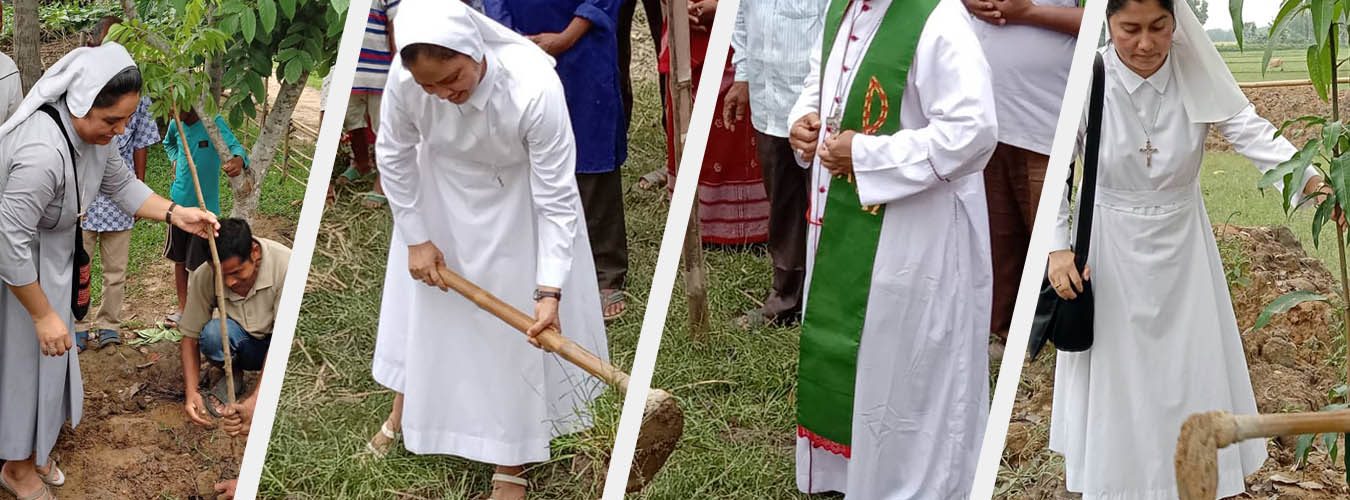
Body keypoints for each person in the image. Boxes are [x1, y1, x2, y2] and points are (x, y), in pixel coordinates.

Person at [1045, 1, 1335, 498]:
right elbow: (1056, 169)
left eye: (1158, 27)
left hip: (1183, 249)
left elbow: (1252, 133)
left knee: (1186, 369)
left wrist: (1319, 185)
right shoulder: (1090, 76)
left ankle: (1191, 482)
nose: (1144, 43)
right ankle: (1120, 482)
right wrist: (1056, 249)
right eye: (1128, 29)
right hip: (1109, 249)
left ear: (1176, 23)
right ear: (1107, 23)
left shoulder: (1196, 73)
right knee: (1120, 379)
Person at [368, 2, 609, 499]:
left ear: (474, 49)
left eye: (452, 78)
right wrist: (416, 235)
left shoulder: (535, 88)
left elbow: (557, 198)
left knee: (511, 328)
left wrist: (548, 291)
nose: (443, 94)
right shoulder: (405, 79)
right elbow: (392, 152)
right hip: (439, 194)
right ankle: (405, 411)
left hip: (516, 201)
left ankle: (510, 458)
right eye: (429, 86)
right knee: (429, 308)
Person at [786, 0, 997, 496]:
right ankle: (856, 474)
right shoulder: (843, 9)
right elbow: (823, 82)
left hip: (915, 235)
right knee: (864, 358)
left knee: (906, 364)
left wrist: (865, 154)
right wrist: (805, 121)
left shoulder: (938, 19)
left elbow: (974, 132)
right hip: (844, 219)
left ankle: (911, 483)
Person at [0, 43, 218, 500]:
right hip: (17, 276)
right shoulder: (42, 153)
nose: (119, 131)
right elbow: (8, 239)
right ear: (80, 103)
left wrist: (176, 212)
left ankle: (38, 448)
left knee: (52, 362)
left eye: (125, 120)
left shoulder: (94, 138)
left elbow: (122, 186)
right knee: (22, 367)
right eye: (111, 121)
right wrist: (41, 314)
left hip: (51, 261)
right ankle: (16, 468)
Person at [482, 0, 630, 321]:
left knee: (591, 150)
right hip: (519, 47)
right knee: (528, 153)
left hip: (584, 46)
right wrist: (513, 40)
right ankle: (538, 265)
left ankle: (605, 271)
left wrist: (567, 36)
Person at [964, 0, 1081, 343]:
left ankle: (1049, 336)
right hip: (987, 123)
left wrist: (1028, 12)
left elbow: (1110, 20)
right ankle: (1001, 334)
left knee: (1048, 240)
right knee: (995, 241)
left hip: (1047, 126)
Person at [725, 0, 825, 328]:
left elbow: (838, 36)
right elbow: (740, 17)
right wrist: (742, 76)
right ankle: (786, 299)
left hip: (817, 108)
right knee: (783, 203)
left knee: (829, 205)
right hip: (769, 102)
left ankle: (827, 300)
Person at [75, 15, 162, 352]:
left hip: (119, 193)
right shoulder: (83, 90)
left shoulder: (137, 93)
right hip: (83, 196)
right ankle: (78, 323)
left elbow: (140, 140)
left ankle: (109, 323)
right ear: (95, 46)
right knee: (78, 265)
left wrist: (139, 189)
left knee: (116, 269)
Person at [661, 1, 771, 247]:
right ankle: (698, 219)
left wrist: (724, 6)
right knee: (693, 121)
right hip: (688, 32)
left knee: (736, 122)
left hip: (745, 32)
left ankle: (751, 224)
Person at [179, 218, 288, 426]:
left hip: (280, 344)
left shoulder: (286, 266)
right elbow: (189, 338)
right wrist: (191, 392)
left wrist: (257, 400)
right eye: (222, 275)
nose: (229, 282)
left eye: (236, 272)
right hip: (243, 344)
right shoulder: (205, 275)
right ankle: (232, 372)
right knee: (213, 336)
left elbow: (282, 343)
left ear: (254, 252)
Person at [162, 108, 248, 327]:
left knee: (201, 266)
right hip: (179, 205)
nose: (171, 113)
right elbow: (168, 143)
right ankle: (183, 309)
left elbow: (235, 147)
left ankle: (200, 314)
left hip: (204, 209)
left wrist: (239, 160)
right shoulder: (176, 124)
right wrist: (175, 158)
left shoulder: (213, 122)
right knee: (179, 261)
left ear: (190, 102)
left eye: (175, 108)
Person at [339, 0, 400, 207]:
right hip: (352, 71)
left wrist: (399, 67)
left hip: (380, 71)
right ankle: (362, 164)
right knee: (351, 120)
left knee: (384, 128)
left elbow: (395, 24)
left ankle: (383, 182)